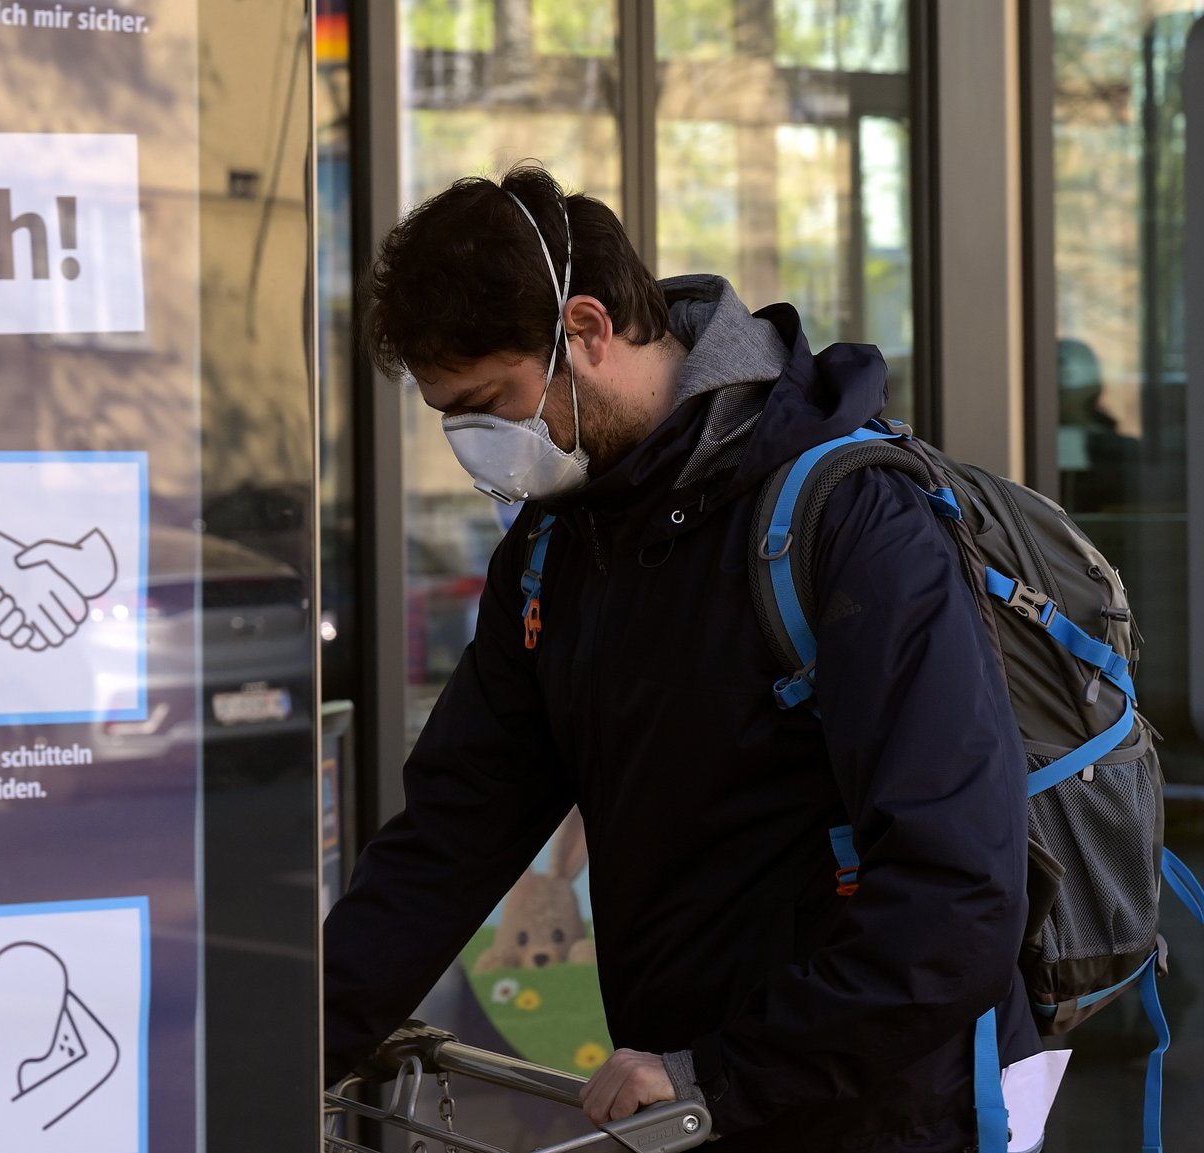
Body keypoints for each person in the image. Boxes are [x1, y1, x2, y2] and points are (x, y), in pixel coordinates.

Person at [325, 165, 1037, 1153]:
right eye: (451, 416)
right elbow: (451, 833)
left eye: (487, 403)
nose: (472, 444)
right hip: (689, 1103)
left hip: (886, 1108)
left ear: (584, 330)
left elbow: (956, 889)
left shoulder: (842, 520)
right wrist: (287, 1044)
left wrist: (718, 1072)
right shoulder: (551, 552)